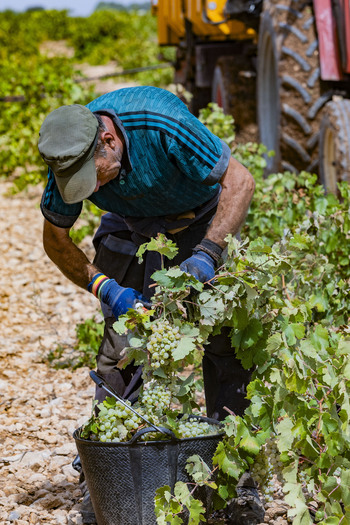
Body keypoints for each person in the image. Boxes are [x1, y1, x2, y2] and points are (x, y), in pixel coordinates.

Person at [38, 86, 263, 524]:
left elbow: (241, 181)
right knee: (122, 350)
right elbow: (54, 238)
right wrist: (105, 287)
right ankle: (110, 476)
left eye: (95, 175)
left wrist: (208, 254)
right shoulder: (68, 156)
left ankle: (235, 478)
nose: (92, 186)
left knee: (225, 347)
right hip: (128, 227)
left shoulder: (159, 123)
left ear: (108, 141)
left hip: (198, 220)